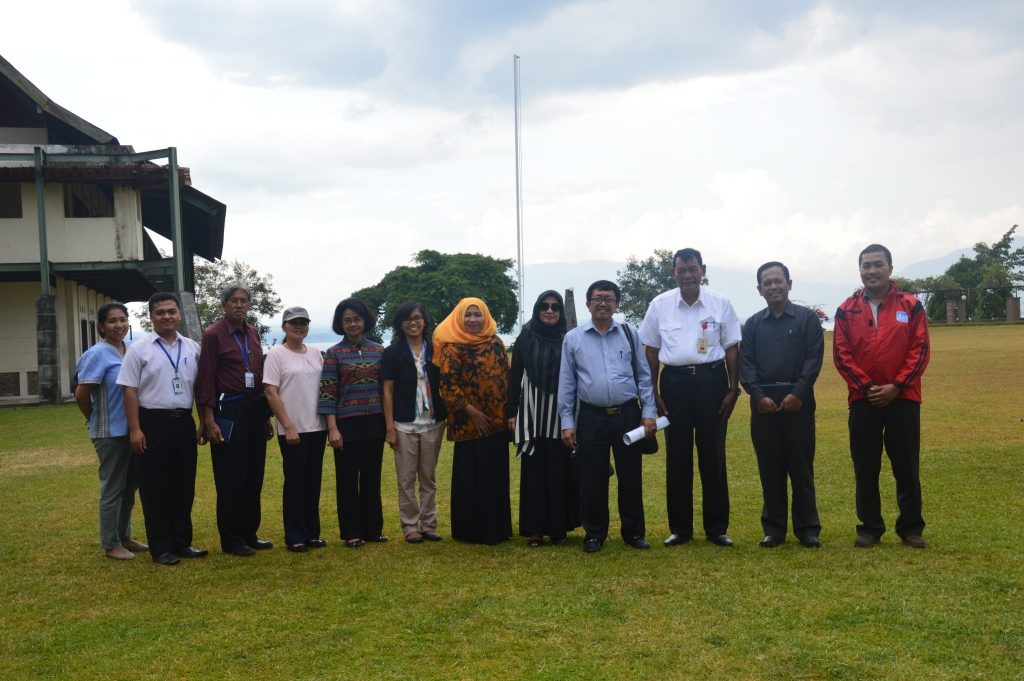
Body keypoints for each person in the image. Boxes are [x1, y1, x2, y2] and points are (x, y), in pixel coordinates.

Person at [639, 248, 742, 548]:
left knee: (713, 456)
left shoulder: (720, 303)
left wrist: (733, 389)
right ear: (673, 273)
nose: (687, 275)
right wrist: (654, 392)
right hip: (674, 384)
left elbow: (733, 347)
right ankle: (680, 529)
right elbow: (651, 350)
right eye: (681, 270)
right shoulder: (660, 305)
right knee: (678, 456)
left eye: (692, 269)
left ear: (703, 270)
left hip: (712, 381)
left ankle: (716, 528)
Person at [834, 244, 930, 548]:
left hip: (904, 398)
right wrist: (867, 387)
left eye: (878, 264)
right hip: (864, 400)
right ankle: (870, 528)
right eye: (866, 265)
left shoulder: (910, 305)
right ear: (859, 270)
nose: (871, 270)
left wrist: (897, 386)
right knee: (865, 465)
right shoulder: (846, 309)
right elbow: (841, 354)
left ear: (890, 268)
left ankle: (911, 528)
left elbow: (920, 350)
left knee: (906, 465)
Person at [558, 280, 657, 553]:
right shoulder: (574, 338)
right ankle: (594, 533)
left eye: (609, 299)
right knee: (592, 479)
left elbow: (645, 376)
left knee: (630, 477)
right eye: (598, 298)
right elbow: (566, 384)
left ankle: (634, 532)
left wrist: (648, 414)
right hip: (591, 417)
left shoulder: (629, 333)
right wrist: (567, 423)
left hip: (627, 414)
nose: (603, 303)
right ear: (588, 303)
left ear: (617, 304)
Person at [116, 292, 206, 566]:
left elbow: (201, 389)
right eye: (160, 312)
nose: (167, 316)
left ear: (179, 314)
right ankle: (161, 547)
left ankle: (182, 542)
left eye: (171, 311)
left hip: (183, 422)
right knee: (155, 487)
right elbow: (129, 391)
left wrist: (203, 420)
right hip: (152, 423)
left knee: (183, 485)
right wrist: (135, 429)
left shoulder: (192, 347)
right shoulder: (139, 350)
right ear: (151, 316)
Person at [739, 262, 824, 548]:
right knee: (770, 468)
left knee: (801, 467)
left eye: (778, 281)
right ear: (759, 290)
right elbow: (745, 364)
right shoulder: (752, 325)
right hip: (762, 403)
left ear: (789, 284)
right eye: (767, 283)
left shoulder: (807, 320)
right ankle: (774, 529)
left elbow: (813, 360)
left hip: (799, 402)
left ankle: (807, 528)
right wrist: (757, 395)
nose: (773, 287)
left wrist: (799, 393)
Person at [196, 282, 273, 557]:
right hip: (228, 409)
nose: (239, 305)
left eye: (244, 301)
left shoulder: (251, 332)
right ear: (224, 304)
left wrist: (265, 416)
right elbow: (205, 378)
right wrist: (208, 420)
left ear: (249, 305)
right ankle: (231, 538)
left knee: (254, 474)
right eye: (234, 300)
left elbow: (260, 374)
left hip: (254, 408)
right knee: (232, 476)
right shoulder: (213, 335)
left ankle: (249, 532)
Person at [435, 297, 512, 545]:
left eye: (477, 315)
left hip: (496, 422)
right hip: (469, 425)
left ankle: (496, 529)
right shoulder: (452, 348)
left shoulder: (496, 343)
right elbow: (448, 387)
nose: (473, 320)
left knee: (495, 476)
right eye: (467, 315)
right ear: (459, 318)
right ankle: (471, 530)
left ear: (486, 317)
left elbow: (507, 378)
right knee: (472, 478)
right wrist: (472, 412)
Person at [74, 302, 147, 560]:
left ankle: (124, 536)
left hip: (133, 430)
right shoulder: (97, 354)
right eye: (112, 321)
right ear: (102, 326)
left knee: (129, 487)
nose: (119, 325)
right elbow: (82, 393)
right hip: (110, 432)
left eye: (122, 319)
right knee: (113, 488)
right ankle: (111, 543)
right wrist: (93, 418)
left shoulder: (130, 350)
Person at [507, 290, 580, 547]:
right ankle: (535, 530)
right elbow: (514, 375)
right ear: (538, 310)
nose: (550, 311)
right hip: (532, 410)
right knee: (534, 472)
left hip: (561, 411)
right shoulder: (526, 336)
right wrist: (511, 412)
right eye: (544, 307)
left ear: (561, 312)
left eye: (555, 308)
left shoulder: (569, 339)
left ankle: (559, 529)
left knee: (560, 470)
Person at [318, 298, 387, 547]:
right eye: (347, 320)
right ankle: (351, 532)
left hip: (375, 424)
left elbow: (386, 390)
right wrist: (332, 429)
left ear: (365, 320)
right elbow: (327, 393)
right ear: (340, 324)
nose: (353, 324)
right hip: (346, 426)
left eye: (356, 319)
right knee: (347, 480)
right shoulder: (334, 354)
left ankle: (373, 529)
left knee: (372, 478)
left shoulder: (379, 350)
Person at [263, 306, 328, 553]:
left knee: (313, 482)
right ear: (284, 327)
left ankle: (312, 533)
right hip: (292, 429)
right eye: (293, 323)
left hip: (317, 427)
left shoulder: (315, 353)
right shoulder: (276, 354)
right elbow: (270, 391)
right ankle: (295, 536)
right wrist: (287, 425)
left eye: (303, 323)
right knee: (295, 483)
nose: (299, 327)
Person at [380, 301, 446, 544]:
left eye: (417, 318)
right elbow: (387, 392)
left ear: (424, 321)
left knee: (428, 477)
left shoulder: (436, 350)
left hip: (433, 422)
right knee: (406, 478)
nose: (413, 323)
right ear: (400, 325)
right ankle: (410, 526)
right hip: (404, 424)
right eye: (407, 319)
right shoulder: (392, 353)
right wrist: (389, 428)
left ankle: (429, 524)